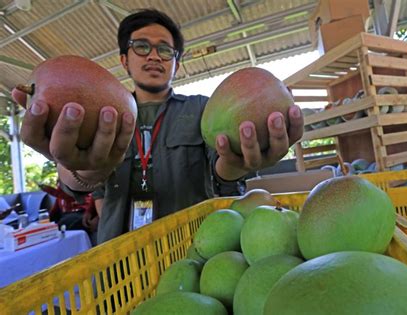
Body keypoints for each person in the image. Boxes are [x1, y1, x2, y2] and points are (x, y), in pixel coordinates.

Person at [13, 9, 304, 244]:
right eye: (142, 47)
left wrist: (237, 164)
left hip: (195, 247)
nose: (154, 56)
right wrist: (85, 171)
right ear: (124, 60)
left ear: (177, 62)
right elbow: (82, 188)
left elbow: (223, 177)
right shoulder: (105, 111)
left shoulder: (202, 109)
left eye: (165, 50)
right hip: (119, 259)